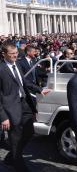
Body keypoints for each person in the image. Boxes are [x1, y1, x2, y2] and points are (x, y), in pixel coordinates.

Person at [0, 42, 50, 171]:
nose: (15, 56)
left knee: (29, 132)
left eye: (16, 53)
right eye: (12, 54)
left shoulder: (17, 65)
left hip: (24, 104)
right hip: (10, 109)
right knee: (15, 139)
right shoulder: (1, 69)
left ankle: (12, 157)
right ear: (4, 54)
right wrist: (3, 117)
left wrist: (39, 89)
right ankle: (19, 166)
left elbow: (24, 82)